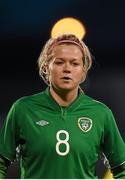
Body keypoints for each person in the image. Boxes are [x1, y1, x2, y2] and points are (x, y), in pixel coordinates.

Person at [0, 33, 125, 179]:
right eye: (59, 62)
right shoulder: (23, 109)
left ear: (83, 71)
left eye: (75, 63)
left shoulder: (101, 113)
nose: (67, 69)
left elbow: (121, 168)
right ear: (46, 67)